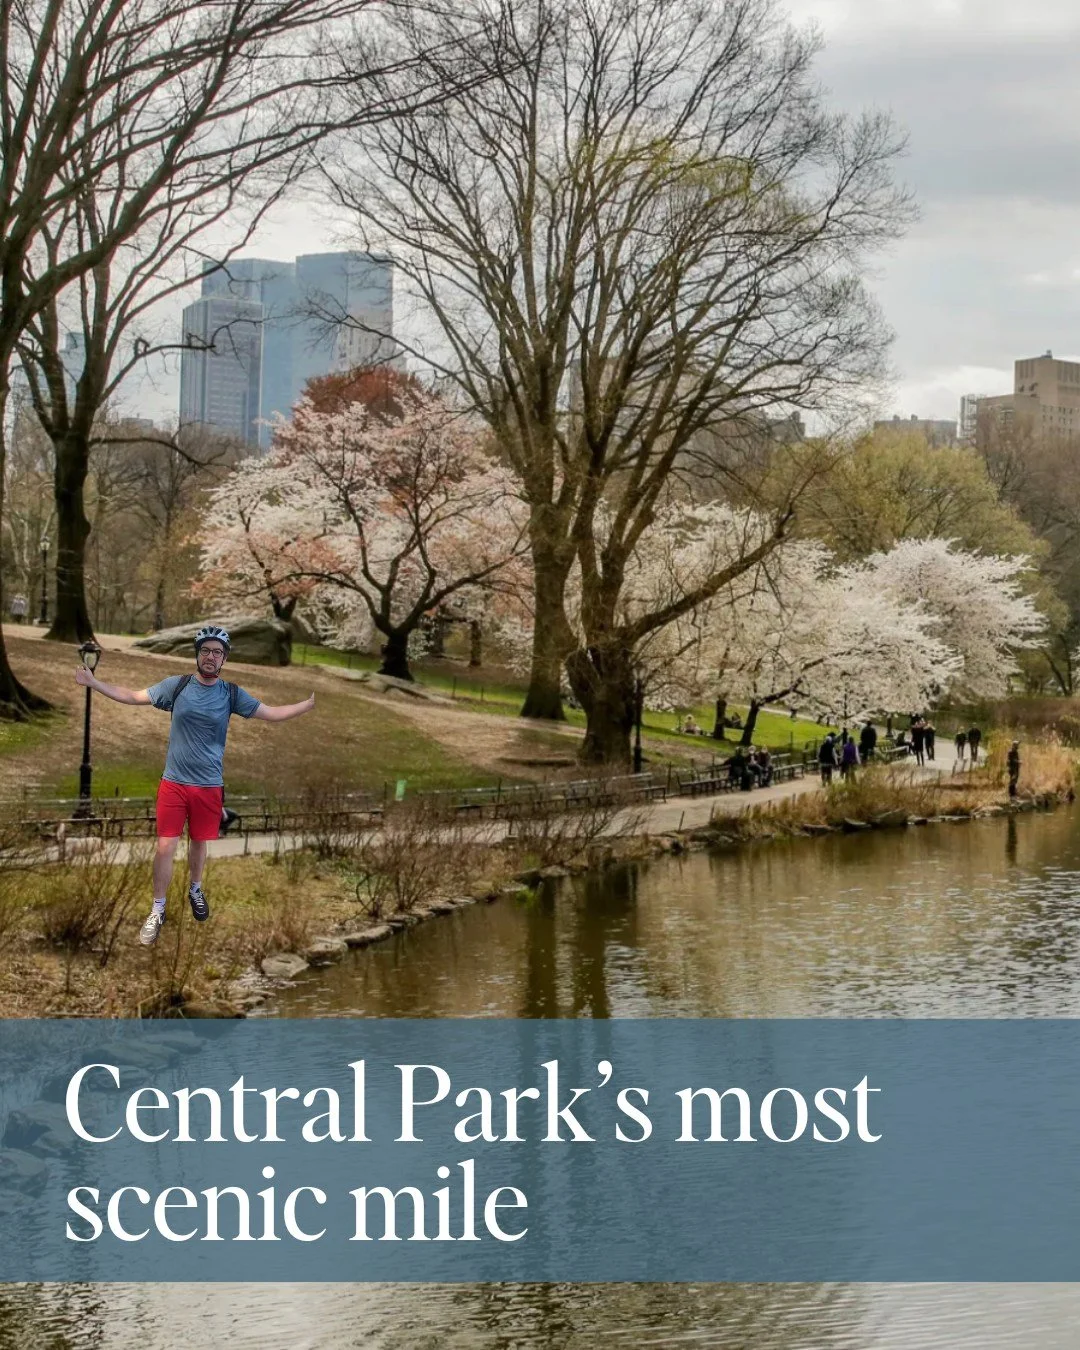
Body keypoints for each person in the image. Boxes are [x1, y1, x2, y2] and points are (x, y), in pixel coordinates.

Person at [74, 624, 316, 946]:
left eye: (217, 652)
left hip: (209, 786)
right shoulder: (177, 687)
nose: (210, 657)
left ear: (224, 659)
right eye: (205, 650)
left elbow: (270, 713)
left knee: (199, 843)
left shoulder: (231, 694)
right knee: (165, 845)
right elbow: (133, 696)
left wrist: (305, 706)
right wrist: (94, 682)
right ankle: (157, 909)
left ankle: (196, 889)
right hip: (173, 783)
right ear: (197, 655)